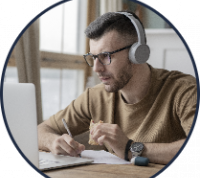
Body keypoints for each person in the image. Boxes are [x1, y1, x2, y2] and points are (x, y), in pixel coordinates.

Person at [38, 11, 197, 165]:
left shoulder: (184, 91)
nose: (96, 68)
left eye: (105, 56)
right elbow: (40, 130)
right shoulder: (94, 97)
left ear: (137, 53)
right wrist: (53, 142)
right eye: (93, 57)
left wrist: (129, 148)